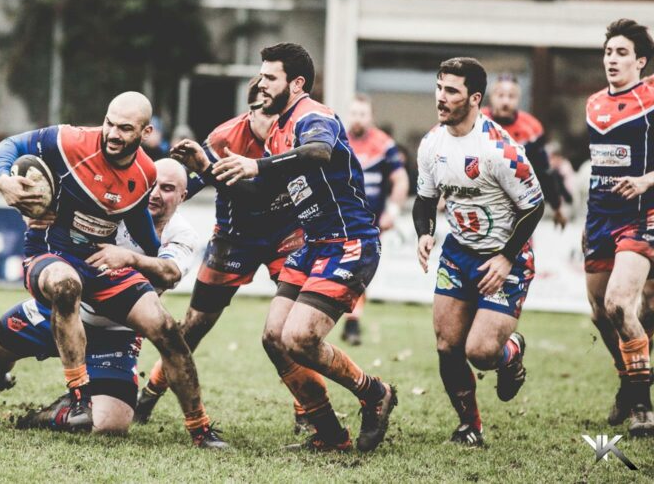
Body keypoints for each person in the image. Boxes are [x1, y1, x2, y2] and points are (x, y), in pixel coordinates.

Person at [181, 43, 396, 453]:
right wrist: (206, 168)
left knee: (298, 338)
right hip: (313, 244)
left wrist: (256, 165)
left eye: (270, 77)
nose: (261, 83)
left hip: (349, 242)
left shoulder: (313, 114)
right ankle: (330, 436)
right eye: (260, 76)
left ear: (296, 83)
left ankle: (375, 393)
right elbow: (258, 191)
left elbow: (319, 151)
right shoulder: (278, 129)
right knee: (274, 338)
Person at [0, 92, 226, 448]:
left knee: (165, 329)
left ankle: (200, 429)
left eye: (125, 128)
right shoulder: (70, 140)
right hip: (56, 261)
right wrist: (5, 182)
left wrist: (135, 259)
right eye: (110, 123)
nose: (113, 134)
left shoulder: (146, 176)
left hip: (103, 287)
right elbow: (11, 145)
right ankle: (66, 395)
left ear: (146, 132)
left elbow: (150, 246)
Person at [0, 158, 203, 435]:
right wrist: (33, 210)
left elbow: (169, 273)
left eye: (168, 188)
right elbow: (53, 196)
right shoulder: (114, 206)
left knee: (111, 425)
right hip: (64, 310)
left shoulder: (182, 234)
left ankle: (54, 413)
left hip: (115, 334)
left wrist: (130, 258)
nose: (156, 194)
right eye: (152, 184)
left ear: (183, 196)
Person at [135, 78, 310, 431]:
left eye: (280, 115)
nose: (273, 124)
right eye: (266, 114)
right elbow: (181, 182)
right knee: (193, 328)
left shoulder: (296, 134)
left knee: (287, 331)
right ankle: (150, 394)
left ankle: (307, 412)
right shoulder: (223, 137)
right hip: (235, 240)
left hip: (287, 237)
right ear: (251, 109)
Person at [413, 57, 544, 447]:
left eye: (451, 91)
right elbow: (424, 199)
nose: (441, 97)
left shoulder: (499, 148)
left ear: (474, 98)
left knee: (481, 352)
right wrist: (425, 233)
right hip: (458, 254)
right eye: (439, 87)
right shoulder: (431, 144)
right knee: (447, 346)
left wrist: (505, 258)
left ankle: (511, 351)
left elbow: (534, 205)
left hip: (506, 257)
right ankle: (469, 426)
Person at [584, 19, 654, 436]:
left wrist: (647, 180)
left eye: (622, 53)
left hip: (642, 215)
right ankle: (629, 382)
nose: (612, 59)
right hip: (599, 218)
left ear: (640, 61)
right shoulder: (593, 104)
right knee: (598, 313)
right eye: (609, 52)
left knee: (619, 303)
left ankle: (643, 408)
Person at [342, 94, 409, 345]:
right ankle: (344, 318)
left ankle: (352, 321)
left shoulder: (383, 144)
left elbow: (400, 180)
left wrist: (392, 211)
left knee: (357, 273)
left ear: (370, 116)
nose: (357, 118)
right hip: (338, 220)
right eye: (354, 113)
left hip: (369, 224)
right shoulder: (338, 140)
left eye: (363, 114)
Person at [483, 74, 568, 228]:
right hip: (481, 200)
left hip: (518, 206)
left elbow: (543, 171)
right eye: (500, 95)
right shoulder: (476, 121)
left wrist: (557, 207)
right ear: (491, 96)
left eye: (511, 96)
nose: (505, 101)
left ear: (519, 98)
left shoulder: (532, 128)